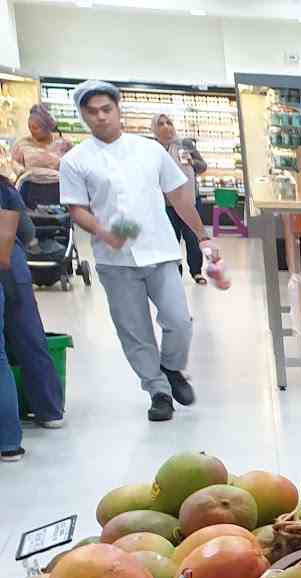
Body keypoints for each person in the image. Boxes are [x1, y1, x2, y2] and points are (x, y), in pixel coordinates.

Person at [58, 80, 215, 422]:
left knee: (178, 320)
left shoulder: (150, 151)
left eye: (106, 109)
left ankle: (172, 368)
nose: (100, 117)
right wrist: (102, 231)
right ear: (83, 116)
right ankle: (157, 390)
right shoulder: (75, 161)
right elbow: (76, 208)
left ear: (118, 110)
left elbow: (178, 197)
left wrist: (202, 236)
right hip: (115, 260)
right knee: (134, 329)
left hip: (160, 250)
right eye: (92, 112)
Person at [0, 170, 63, 441]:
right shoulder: (6, 189)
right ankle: (49, 411)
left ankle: (8, 435)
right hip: (13, 269)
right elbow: (26, 231)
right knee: (30, 338)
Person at [151, 113, 208, 283]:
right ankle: (175, 273)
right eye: (160, 123)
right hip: (166, 203)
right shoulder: (152, 149)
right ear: (154, 128)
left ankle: (197, 271)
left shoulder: (185, 144)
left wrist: (192, 163)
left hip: (190, 199)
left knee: (192, 237)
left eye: (169, 122)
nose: (166, 126)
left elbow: (202, 166)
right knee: (171, 239)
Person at [12, 104, 71, 206]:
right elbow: (14, 168)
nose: (31, 131)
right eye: (29, 127)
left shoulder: (64, 144)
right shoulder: (22, 144)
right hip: (28, 196)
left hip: (60, 195)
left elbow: (74, 169)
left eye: (35, 128)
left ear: (48, 127)